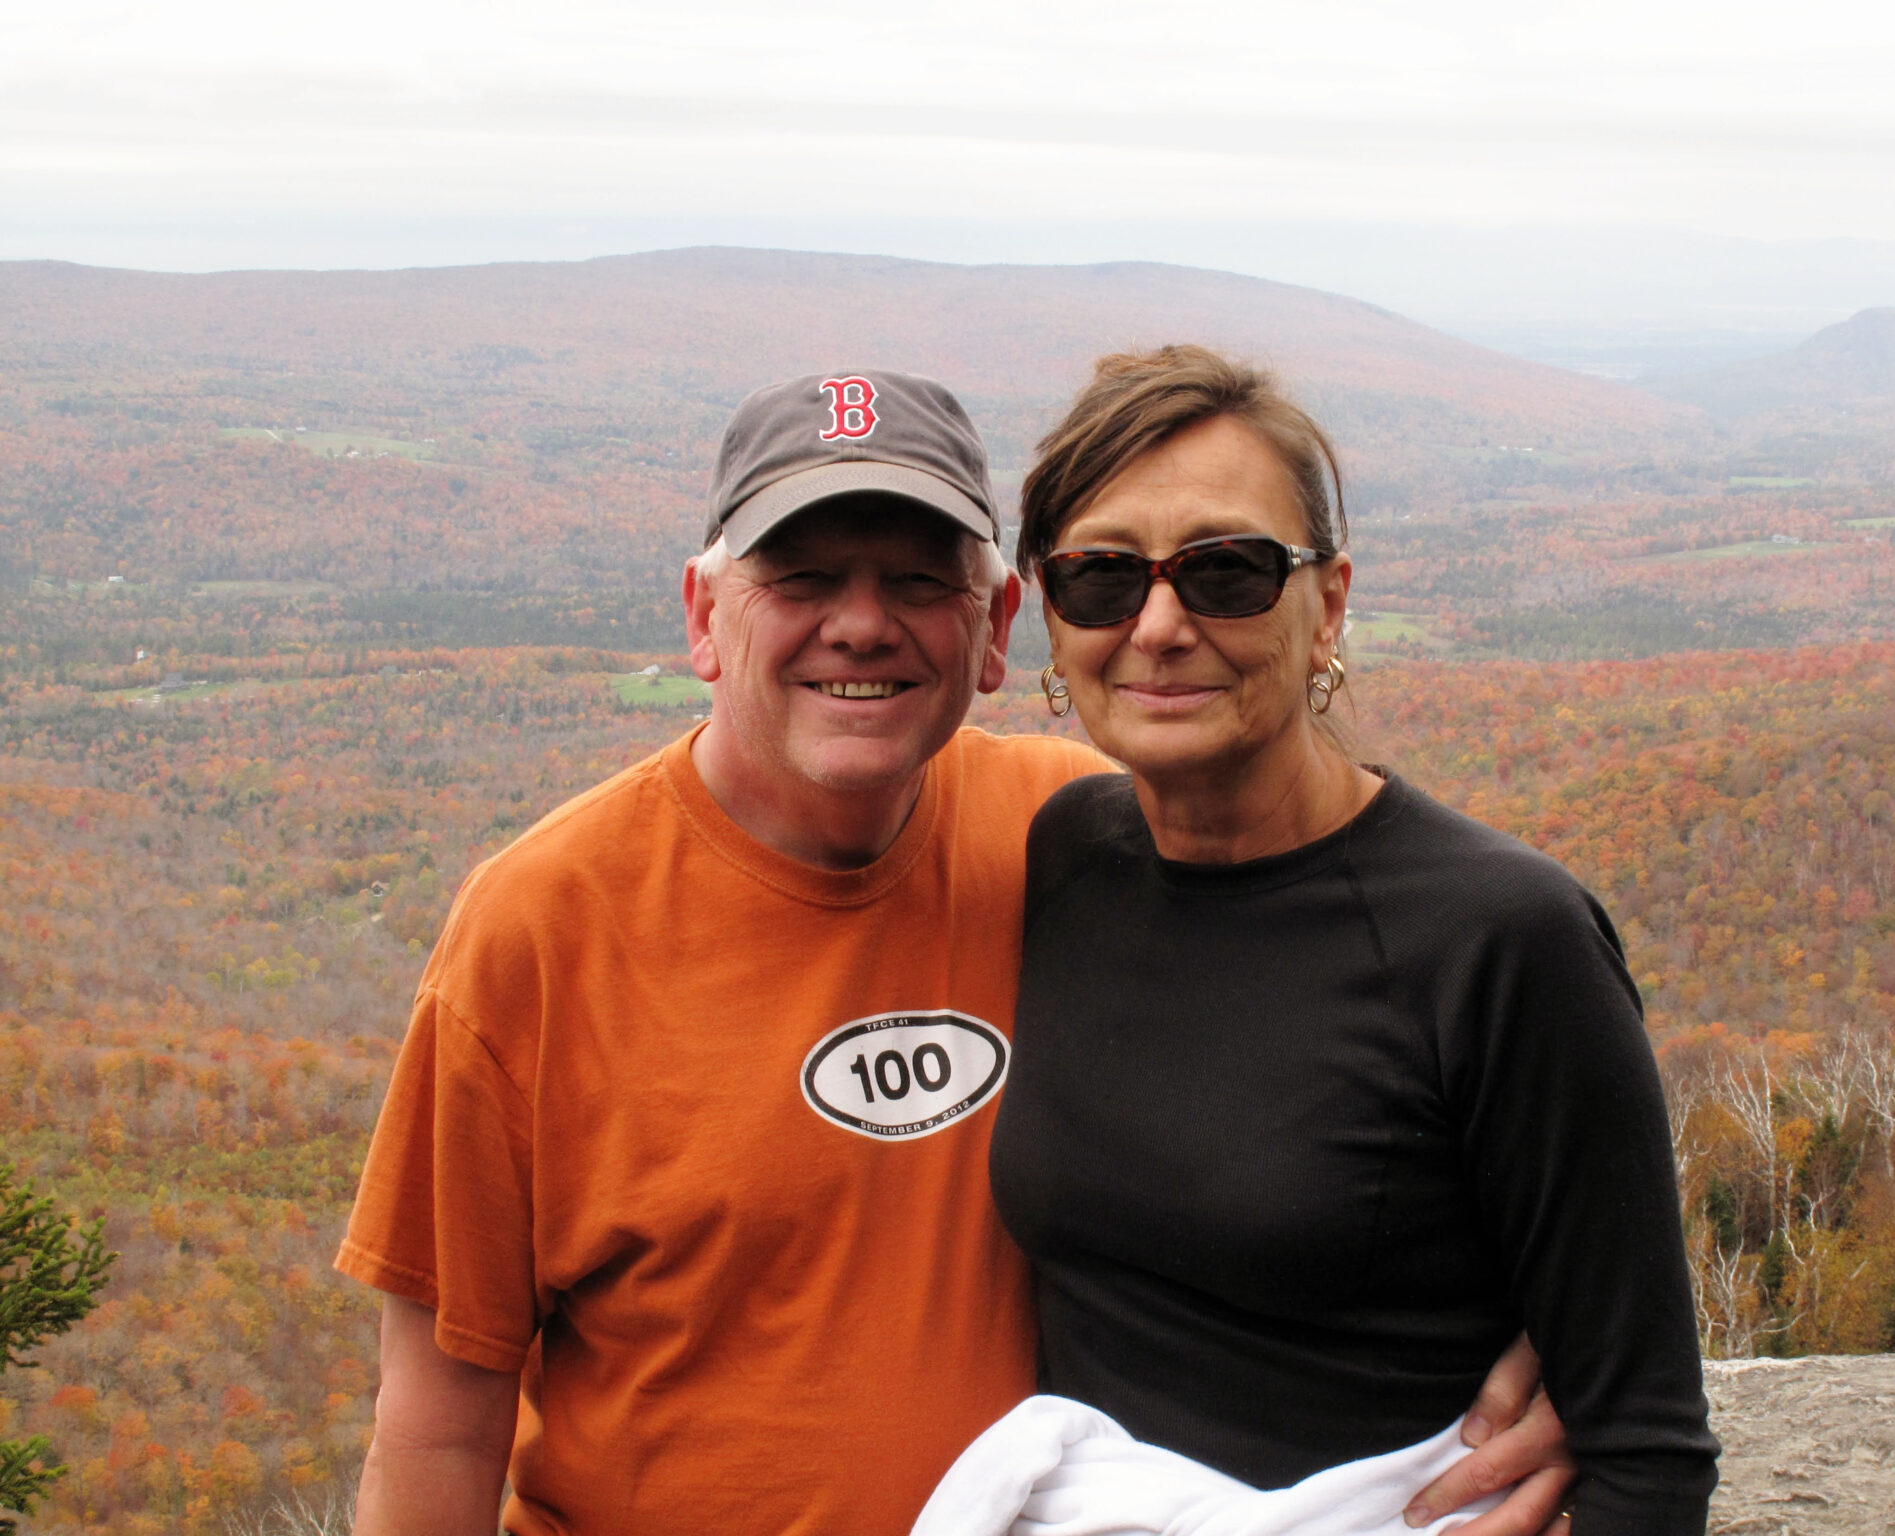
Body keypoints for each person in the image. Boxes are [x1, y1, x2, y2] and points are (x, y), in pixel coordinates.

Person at [337, 367, 1579, 1536]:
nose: (861, 625)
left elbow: (1375, 1044)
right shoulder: (538, 930)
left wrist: (1557, 1349)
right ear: (704, 616)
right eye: (805, 577)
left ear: (994, 628)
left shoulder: (1087, 844)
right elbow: (439, 1425)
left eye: (917, 581)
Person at [984, 346, 1720, 1536]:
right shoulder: (1064, 854)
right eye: (1101, 579)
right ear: (1053, 623)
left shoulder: (1498, 940)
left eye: (1227, 572)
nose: (1159, 624)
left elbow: (1643, 1445)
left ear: (1326, 603)